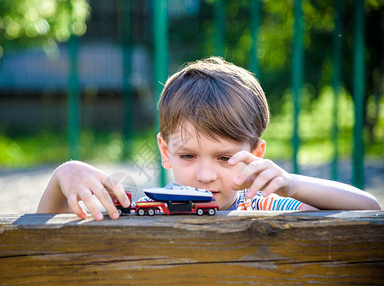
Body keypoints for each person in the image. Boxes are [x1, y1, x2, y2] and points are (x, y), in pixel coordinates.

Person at [37, 57, 380, 220]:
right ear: (165, 150)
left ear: (256, 155)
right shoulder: (143, 209)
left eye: (224, 157)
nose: (205, 175)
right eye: (188, 156)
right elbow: (44, 237)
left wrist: (290, 184)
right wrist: (62, 177)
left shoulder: (267, 207)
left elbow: (370, 210)